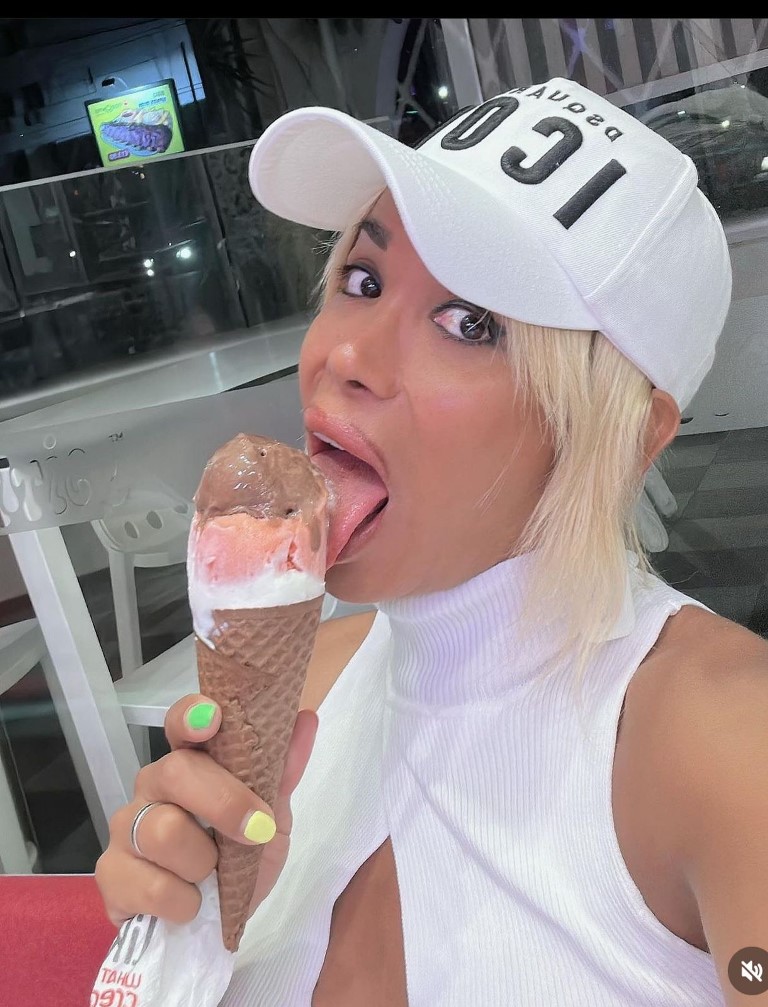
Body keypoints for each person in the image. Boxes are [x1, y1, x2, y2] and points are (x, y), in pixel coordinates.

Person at [94, 76, 768, 1005]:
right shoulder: (306, 692)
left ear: (622, 439)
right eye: (361, 281)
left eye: (469, 323)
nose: (346, 357)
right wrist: (180, 940)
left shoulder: (729, 741)